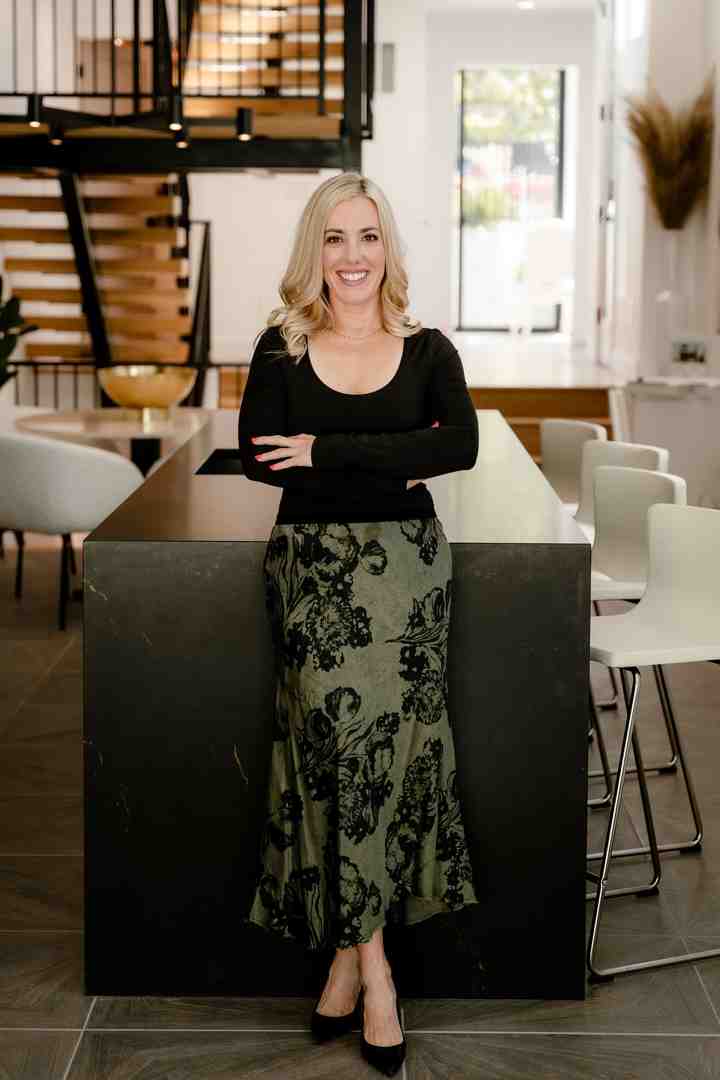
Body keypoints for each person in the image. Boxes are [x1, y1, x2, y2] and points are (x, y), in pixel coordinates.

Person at [237, 172, 479, 1077]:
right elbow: (265, 462)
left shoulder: (427, 348)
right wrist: (392, 460)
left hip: (412, 585)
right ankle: (378, 973)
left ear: (388, 248)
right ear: (316, 251)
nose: (352, 257)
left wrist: (329, 453)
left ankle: (347, 959)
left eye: (367, 237)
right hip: (312, 580)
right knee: (337, 760)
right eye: (335, 238)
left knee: (393, 758)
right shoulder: (280, 347)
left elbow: (458, 447)